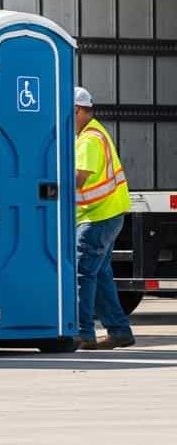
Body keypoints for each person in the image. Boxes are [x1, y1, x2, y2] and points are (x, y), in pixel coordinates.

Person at [74, 86, 135, 350]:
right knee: (99, 276)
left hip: (97, 217)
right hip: (107, 214)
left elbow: (78, 178)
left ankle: (82, 333)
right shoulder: (95, 132)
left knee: (82, 274)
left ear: (77, 110)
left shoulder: (89, 139)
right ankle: (119, 331)